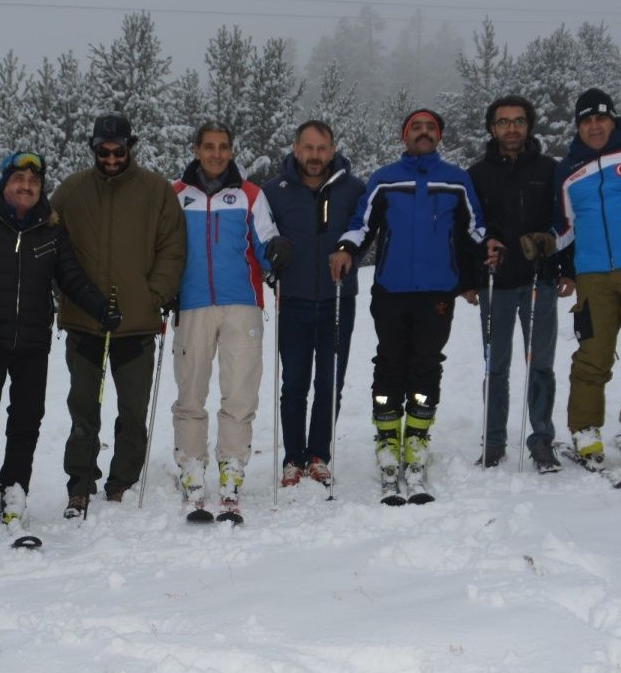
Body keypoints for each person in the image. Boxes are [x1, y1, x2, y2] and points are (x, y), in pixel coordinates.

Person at [0, 151, 116, 532]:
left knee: (26, 422)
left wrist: (101, 308)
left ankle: (14, 488)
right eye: (18, 181)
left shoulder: (50, 231)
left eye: (33, 183)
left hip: (33, 344)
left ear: (41, 189)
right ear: (4, 185)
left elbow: (71, 278)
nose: (25, 187)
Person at [330, 109, 499, 502]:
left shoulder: (456, 180)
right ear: (404, 137)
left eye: (430, 128)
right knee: (389, 363)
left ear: (438, 136)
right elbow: (362, 223)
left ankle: (418, 439)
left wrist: (489, 242)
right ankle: (388, 438)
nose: (423, 133)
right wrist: (345, 248)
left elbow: (475, 225)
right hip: (390, 288)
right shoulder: (385, 179)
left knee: (426, 363)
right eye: (416, 128)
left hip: (437, 292)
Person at [51, 112, 185, 518]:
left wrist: (154, 294)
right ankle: (80, 483)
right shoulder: (71, 191)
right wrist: (67, 296)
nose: (111, 158)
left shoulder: (156, 191)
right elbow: (51, 247)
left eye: (119, 150)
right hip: (84, 321)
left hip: (136, 323)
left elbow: (172, 247)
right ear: (93, 148)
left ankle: (122, 480)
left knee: (132, 411)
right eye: (103, 151)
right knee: (83, 408)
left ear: (130, 147)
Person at [525, 88, 621, 466]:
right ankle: (585, 430)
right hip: (593, 275)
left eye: (600, 119)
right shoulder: (569, 169)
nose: (593, 126)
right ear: (578, 127)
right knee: (592, 354)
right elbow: (566, 226)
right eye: (586, 121)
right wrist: (546, 240)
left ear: (613, 120)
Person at [171, 121, 292, 514]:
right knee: (191, 391)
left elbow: (265, 239)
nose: (217, 154)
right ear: (196, 150)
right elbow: (165, 247)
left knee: (240, 391)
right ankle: (191, 467)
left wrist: (276, 251)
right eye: (209, 147)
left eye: (224, 147)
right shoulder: (177, 195)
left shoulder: (249, 194)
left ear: (231, 151)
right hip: (191, 304)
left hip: (242, 303)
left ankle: (232, 468)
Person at [460, 95, 575, 472]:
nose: (511, 128)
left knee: (540, 365)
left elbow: (567, 222)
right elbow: (466, 229)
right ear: (492, 128)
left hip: (539, 281)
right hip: (496, 283)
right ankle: (494, 441)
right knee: (496, 367)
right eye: (504, 121)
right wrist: (470, 276)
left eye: (519, 121)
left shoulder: (549, 168)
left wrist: (567, 268)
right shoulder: (476, 174)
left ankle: (541, 439)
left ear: (529, 125)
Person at [262, 120, 364, 488]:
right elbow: (261, 236)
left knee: (329, 382)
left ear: (333, 150)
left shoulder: (352, 188)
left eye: (322, 148)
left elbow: (365, 228)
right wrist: (271, 264)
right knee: (294, 384)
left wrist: (350, 253)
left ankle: (319, 454)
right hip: (294, 300)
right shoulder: (275, 191)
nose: (315, 155)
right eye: (308, 147)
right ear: (295, 148)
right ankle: (293, 457)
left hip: (338, 299)